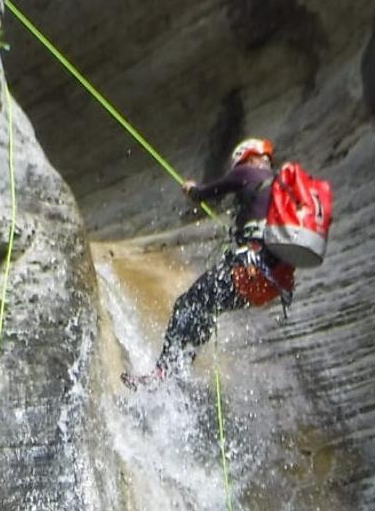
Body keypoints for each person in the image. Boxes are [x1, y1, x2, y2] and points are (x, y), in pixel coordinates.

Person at [122, 138, 296, 388]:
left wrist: (192, 190)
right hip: (272, 285)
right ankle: (179, 371)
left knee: (187, 303)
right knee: (206, 309)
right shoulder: (282, 187)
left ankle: (163, 373)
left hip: (248, 272)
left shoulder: (247, 172)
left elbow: (207, 192)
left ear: (246, 157)